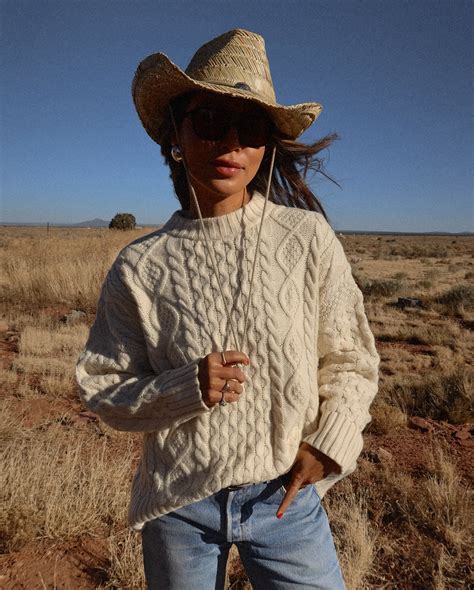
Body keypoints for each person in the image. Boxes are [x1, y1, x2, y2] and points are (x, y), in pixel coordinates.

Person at [76, 28, 380, 590]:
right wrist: (182, 388)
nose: (231, 144)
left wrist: (330, 445)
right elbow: (102, 387)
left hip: (286, 498)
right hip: (178, 507)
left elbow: (352, 360)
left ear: (267, 145)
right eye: (211, 120)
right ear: (176, 134)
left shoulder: (306, 239)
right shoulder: (139, 266)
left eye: (252, 127)